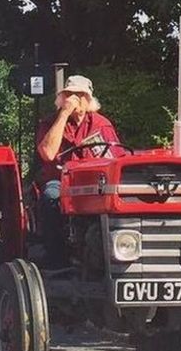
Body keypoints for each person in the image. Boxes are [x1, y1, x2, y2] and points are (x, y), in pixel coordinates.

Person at [35, 75, 121, 267]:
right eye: (70, 94)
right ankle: (56, 257)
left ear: (88, 99)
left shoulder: (101, 124)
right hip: (62, 181)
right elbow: (48, 154)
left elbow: (116, 158)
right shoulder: (50, 123)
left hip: (94, 183)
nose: (74, 99)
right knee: (51, 196)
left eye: (79, 94)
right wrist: (64, 114)